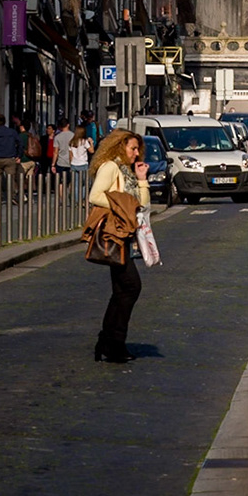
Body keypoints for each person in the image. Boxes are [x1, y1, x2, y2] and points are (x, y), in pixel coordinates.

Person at [85, 128, 150, 364]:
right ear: (120, 146)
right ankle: (113, 342)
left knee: (121, 291)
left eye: (138, 149)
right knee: (132, 287)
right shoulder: (110, 167)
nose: (136, 153)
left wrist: (142, 180)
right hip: (115, 234)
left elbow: (141, 206)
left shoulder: (129, 172)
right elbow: (95, 196)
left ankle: (109, 342)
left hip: (127, 236)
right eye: (133, 148)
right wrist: (120, 206)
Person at [0, 112, 23, 194]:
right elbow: (20, 143)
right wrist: (19, 156)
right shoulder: (12, 132)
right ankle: (12, 195)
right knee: (11, 178)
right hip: (10, 158)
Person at [67, 130, 95, 199]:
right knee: (86, 183)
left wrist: (71, 164)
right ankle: (81, 197)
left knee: (76, 184)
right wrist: (91, 143)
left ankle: (76, 200)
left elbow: (70, 155)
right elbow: (92, 151)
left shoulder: (71, 142)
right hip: (83, 164)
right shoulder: (84, 141)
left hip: (74, 164)